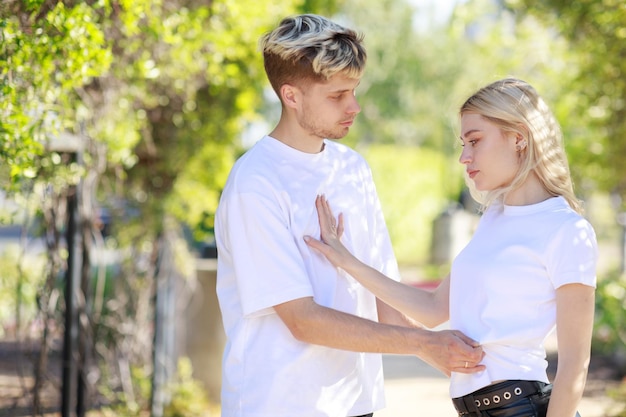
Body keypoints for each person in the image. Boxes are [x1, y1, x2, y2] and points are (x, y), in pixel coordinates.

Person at [215, 13, 484, 417]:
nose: (354, 106)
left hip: (356, 401)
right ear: (291, 96)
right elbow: (302, 319)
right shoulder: (255, 182)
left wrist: (449, 358)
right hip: (280, 405)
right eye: (337, 95)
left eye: (354, 90)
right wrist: (421, 345)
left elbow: (382, 293)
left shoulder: (352, 168)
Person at [305, 78, 597, 417]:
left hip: (523, 407)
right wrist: (346, 260)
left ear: (518, 137)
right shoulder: (493, 219)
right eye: (463, 144)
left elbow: (575, 365)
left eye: (474, 141)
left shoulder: (567, 230)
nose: (464, 157)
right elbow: (431, 309)